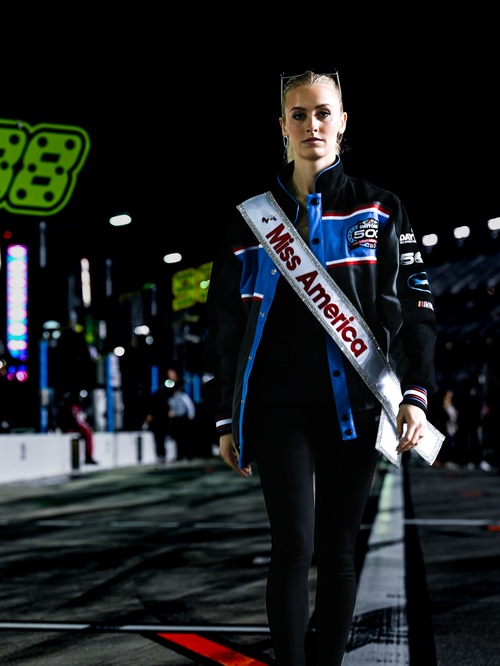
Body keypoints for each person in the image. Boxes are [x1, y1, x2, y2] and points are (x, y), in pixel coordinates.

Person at [205, 70, 438, 665]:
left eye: (324, 112)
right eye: (300, 114)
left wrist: (415, 393)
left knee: (337, 551)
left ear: (343, 121)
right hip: (276, 409)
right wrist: (225, 421)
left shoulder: (383, 208)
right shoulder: (247, 221)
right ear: (282, 126)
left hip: (356, 406)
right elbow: (223, 330)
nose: (313, 124)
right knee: (292, 546)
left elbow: (417, 307)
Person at [167, 377, 197, 461]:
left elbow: (190, 407)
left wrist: (191, 418)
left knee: (186, 438)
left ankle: (189, 455)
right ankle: (180, 455)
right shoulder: (170, 399)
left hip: (184, 419)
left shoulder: (183, 396)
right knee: (178, 438)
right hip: (176, 420)